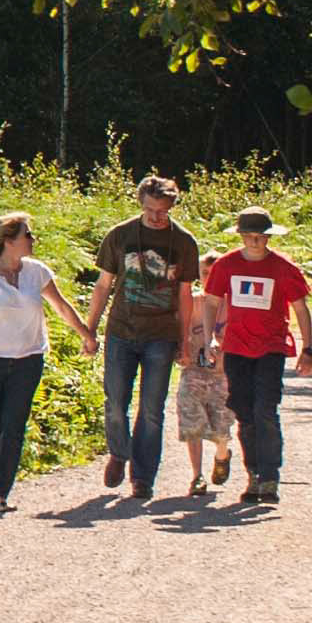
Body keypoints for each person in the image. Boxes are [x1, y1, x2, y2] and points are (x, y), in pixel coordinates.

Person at [0, 210, 89, 509]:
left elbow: (62, 307)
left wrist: (86, 334)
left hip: (29, 360)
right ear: (9, 241)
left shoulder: (36, 272)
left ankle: (1, 491)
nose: (33, 239)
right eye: (27, 235)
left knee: (14, 425)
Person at [83, 175, 202, 502]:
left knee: (151, 409)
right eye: (150, 210)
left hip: (161, 335)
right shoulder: (120, 235)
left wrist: (186, 341)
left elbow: (185, 294)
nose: (155, 217)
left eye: (162, 211)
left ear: (171, 208)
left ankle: (143, 477)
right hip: (122, 331)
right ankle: (120, 453)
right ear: (141, 204)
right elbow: (103, 286)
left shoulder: (183, 242)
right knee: (116, 402)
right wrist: (89, 330)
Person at [199, 205, 312, 505]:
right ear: (240, 235)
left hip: (271, 347)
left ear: (268, 237)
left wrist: (308, 349)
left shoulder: (284, 268)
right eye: (248, 236)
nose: (254, 242)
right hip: (236, 348)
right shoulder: (225, 265)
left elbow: (301, 308)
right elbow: (211, 302)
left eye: (260, 236)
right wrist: (210, 338)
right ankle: (253, 475)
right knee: (245, 414)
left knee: (266, 410)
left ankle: (270, 477)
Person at [171, 296, 237, 495]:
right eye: (204, 272)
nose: (208, 277)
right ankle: (197, 476)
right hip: (194, 372)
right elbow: (178, 333)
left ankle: (222, 456)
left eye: (212, 271)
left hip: (224, 375)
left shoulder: (235, 304)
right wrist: (181, 352)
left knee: (221, 429)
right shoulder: (192, 304)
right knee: (192, 424)